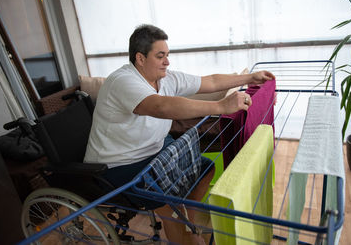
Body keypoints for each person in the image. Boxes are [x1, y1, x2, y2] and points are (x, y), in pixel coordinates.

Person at [84, 24, 275, 244]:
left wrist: (250, 78)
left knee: (205, 169)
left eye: (167, 55)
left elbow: (210, 81)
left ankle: (187, 222)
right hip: (117, 166)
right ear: (140, 58)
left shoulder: (167, 79)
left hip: (154, 153)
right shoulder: (123, 81)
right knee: (168, 201)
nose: (167, 61)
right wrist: (221, 107)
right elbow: (160, 107)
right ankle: (184, 233)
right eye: (160, 56)